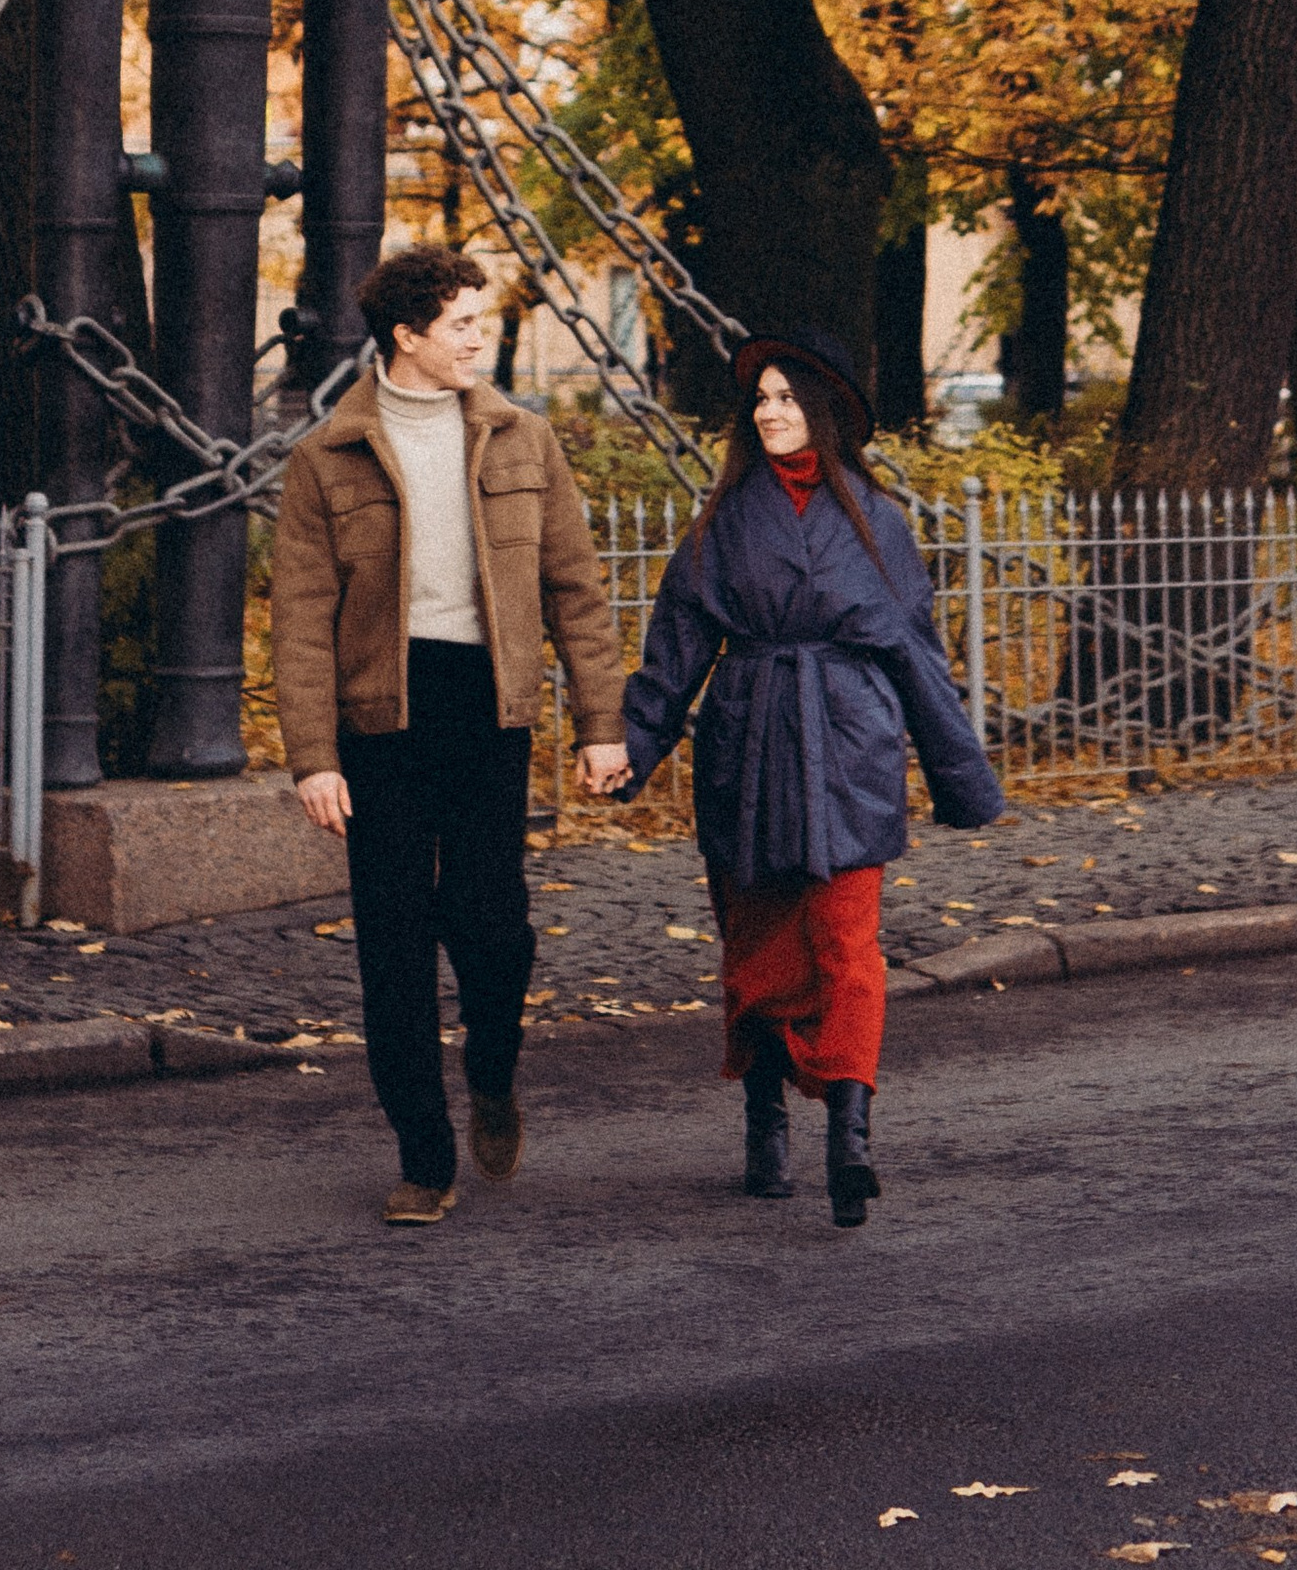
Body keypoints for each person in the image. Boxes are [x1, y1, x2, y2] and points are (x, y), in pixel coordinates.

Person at [272, 244, 630, 1227]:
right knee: (391, 943)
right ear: (408, 337)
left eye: (481, 321)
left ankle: (493, 1070)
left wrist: (603, 724)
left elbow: (575, 591)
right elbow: (300, 617)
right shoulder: (327, 457)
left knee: (492, 926)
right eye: (463, 324)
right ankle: (424, 1158)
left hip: (487, 704)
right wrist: (313, 757)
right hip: (379, 714)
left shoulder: (524, 440)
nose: (480, 338)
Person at [620, 328, 1004, 1226]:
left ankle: (851, 1136)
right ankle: (764, 1121)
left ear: (824, 414)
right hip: (745, 744)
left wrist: (961, 777)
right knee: (758, 946)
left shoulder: (878, 521)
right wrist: (634, 749)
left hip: (851, 746)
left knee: (847, 946)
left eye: (788, 400)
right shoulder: (722, 523)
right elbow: (676, 648)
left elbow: (917, 656)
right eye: (761, 401)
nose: (770, 414)